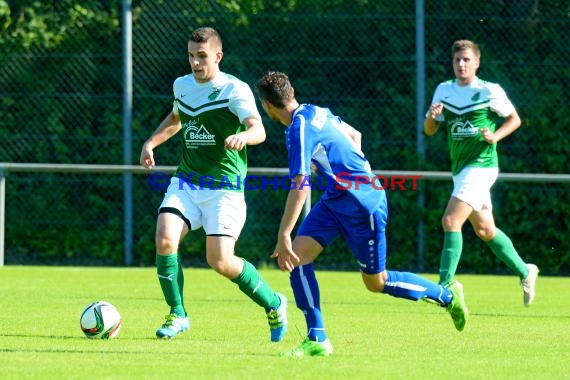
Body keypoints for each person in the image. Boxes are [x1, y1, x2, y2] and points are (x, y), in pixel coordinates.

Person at [254, 70, 469, 358]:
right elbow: (355, 134)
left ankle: (447, 296)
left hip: (362, 204)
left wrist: (283, 234)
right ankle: (317, 338)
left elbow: (300, 185)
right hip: (335, 200)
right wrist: (346, 169)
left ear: (266, 106)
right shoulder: (317, 111)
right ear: (291, 93)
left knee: (375, 282)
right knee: (296, 258)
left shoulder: (298, 128)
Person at [139, 27, 287, 340]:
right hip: (187, 181)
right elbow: (176, 118)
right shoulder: (182, 85)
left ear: (218, 56)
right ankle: (177, 313)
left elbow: (258, 129)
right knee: (165, 237)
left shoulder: (234, 88)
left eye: (202, 56)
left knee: (219, 260)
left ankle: (274, 303)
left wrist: (243, 137)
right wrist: (151, 142)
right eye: (191, 55)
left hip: (225, 188)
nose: (195, 62)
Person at [423, 39, 539, 306]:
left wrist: (494, 136)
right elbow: (429, 130)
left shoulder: (489, 90)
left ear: (477, 63)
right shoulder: (443, 90)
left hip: (482, 166)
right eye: (457, 60)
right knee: (485, 230)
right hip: (460, 169)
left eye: (466, 60)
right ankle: (525, 270)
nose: (461, 64)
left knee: (451, 221)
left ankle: (444, 287)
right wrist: (432, 116)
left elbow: (515, 119)